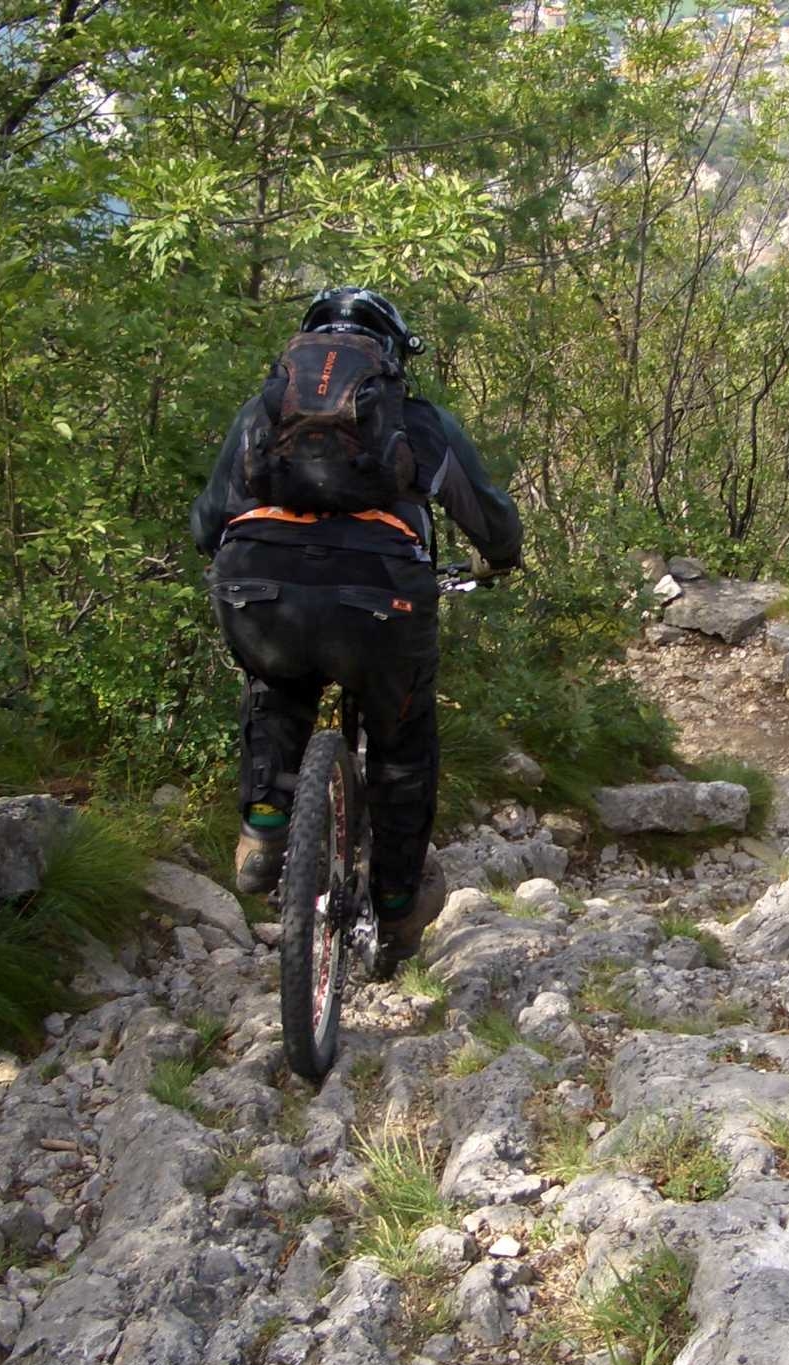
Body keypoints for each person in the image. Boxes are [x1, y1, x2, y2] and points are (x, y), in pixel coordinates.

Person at [192, 287, 523, 968]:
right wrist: (498, 559)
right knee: (402, 746)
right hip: (380, 602)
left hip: (258, 588)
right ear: (393, 357)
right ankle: (397, 908)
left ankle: (263, 828)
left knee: (275, 689)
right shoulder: (421, 422)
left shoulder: (259, 416)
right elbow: (490, 521)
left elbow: (207, 523)